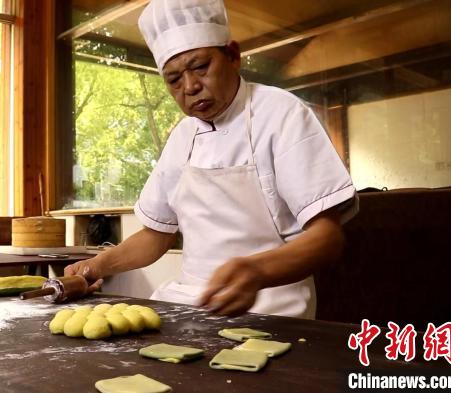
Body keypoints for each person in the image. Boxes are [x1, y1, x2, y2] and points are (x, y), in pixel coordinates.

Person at [65, 0, 358, 319]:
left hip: (272, 304)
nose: (190, 86)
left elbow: (327, 237)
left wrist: (257, 271)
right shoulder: (181, 138)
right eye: (174, 79)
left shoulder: (282, 114)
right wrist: (96, 266)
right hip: (190, 303)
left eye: (201, 66)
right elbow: (156, 235)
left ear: (233, 55)